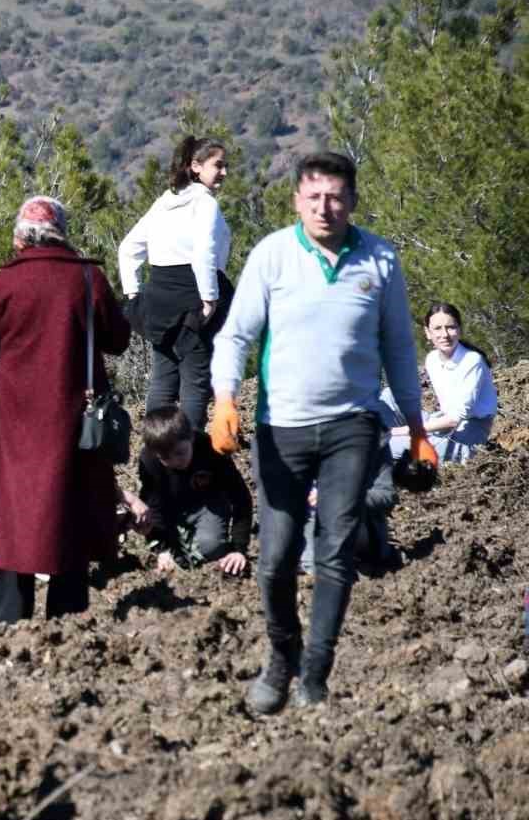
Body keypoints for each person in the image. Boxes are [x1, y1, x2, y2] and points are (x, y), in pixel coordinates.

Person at [210, 152, 437, 714]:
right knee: (276, 556)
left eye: (335, 197)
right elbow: (235, 336)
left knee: (335, 550)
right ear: (297, 201)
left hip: (351, 427)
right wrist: (224, 399)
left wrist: (416, 427)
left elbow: (398, 347)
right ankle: (281, 654)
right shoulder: (272, 255)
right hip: (280, 428)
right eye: (313, 197)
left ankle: (315, 673)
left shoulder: (380, 259)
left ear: (352, 200)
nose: (324, 208)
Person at [0, 196, 131, 622]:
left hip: (15, 418)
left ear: (20, 237)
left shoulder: (2, 283)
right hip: (74, 414)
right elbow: (118, 340)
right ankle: (68, 616)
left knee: (17, 510)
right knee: (70, 508)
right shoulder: (87, 278)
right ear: (61, 233)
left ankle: (8, 617)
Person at [117, 137, 234, 431]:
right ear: (196, 166)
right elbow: (204, 252)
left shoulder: (163, 203)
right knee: (195, 381)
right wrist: (209, 299)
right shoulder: (204, 203)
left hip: (158, 301)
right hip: (191, 299)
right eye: (218, 165)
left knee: (164, 378)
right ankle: (189, 448)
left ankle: (156, 448)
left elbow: (128, 249)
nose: (224, 172)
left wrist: (134, 296)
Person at [134, 407, 251, 576]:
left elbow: (241, 497)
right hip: (170, 509)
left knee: (210, 547)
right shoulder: (149, 460)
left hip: (207, 504)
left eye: (180, 453)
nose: (175, 461)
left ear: (191, 437)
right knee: (175, 558)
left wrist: (239, 548)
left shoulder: (210, 448)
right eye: (165, 458)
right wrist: (162, 549)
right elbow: (153, 505)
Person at [387, 303, 497, 465]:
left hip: (467, 436)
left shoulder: (472, 361)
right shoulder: (432, 359)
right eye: (437, 328)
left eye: (451, 327)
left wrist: (400, 431)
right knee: (389, 395)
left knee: (389, 444)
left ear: (459, 329)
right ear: (428, 333)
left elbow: (454, 419)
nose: (444, 334)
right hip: (443, 425)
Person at [302, 430, 397, 575]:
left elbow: (386, 494)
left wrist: (343, 498)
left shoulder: (374, 436)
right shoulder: (291, 431)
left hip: (356, 522)